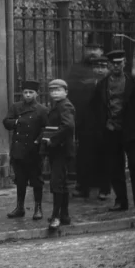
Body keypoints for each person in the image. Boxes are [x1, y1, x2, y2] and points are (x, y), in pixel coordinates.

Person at [89, 49, 135, 216]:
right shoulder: (101, 85)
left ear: (124, 63)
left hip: (132, 132)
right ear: (109, 65)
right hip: (111, 132)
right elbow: (95, 109)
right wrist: (102, 126)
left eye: (120, 63)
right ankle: (121, 201)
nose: (117, 66)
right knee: (115, 168)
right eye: (113, 63)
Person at [67, 47, 111, 201]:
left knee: (105, 156)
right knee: (84, 156)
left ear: (107, 69)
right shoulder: (84, 82)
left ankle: (104, 189)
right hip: (86, 124)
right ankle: (82, 187)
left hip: (106, 126)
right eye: (96, 67)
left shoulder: (111, 83)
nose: (99, 70)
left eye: (102, 67)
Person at [2, 80, 49, 220]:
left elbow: (45, 128)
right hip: (18, 149)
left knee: (36, 181)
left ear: (37, 94)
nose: (28, 95)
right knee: (20, 180)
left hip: (33, 150)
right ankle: (20, 207)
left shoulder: (42, 110)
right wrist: (16, 122)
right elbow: (6, 122)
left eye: (31, 93)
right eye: (25, 92)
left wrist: (38, 141)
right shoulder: (16, 107)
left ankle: (38, 208)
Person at [42, 78, 76, 230]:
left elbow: (68, 126)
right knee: (61, 183)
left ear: (66, 92)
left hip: (61, 149)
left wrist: (52, 140)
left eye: (58, 90)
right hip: (58, 150)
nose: (55, 93)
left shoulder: (65, 106)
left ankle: (56, 217)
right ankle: (65, 215)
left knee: (57, 184)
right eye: (52, 90)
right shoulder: (57, 105)